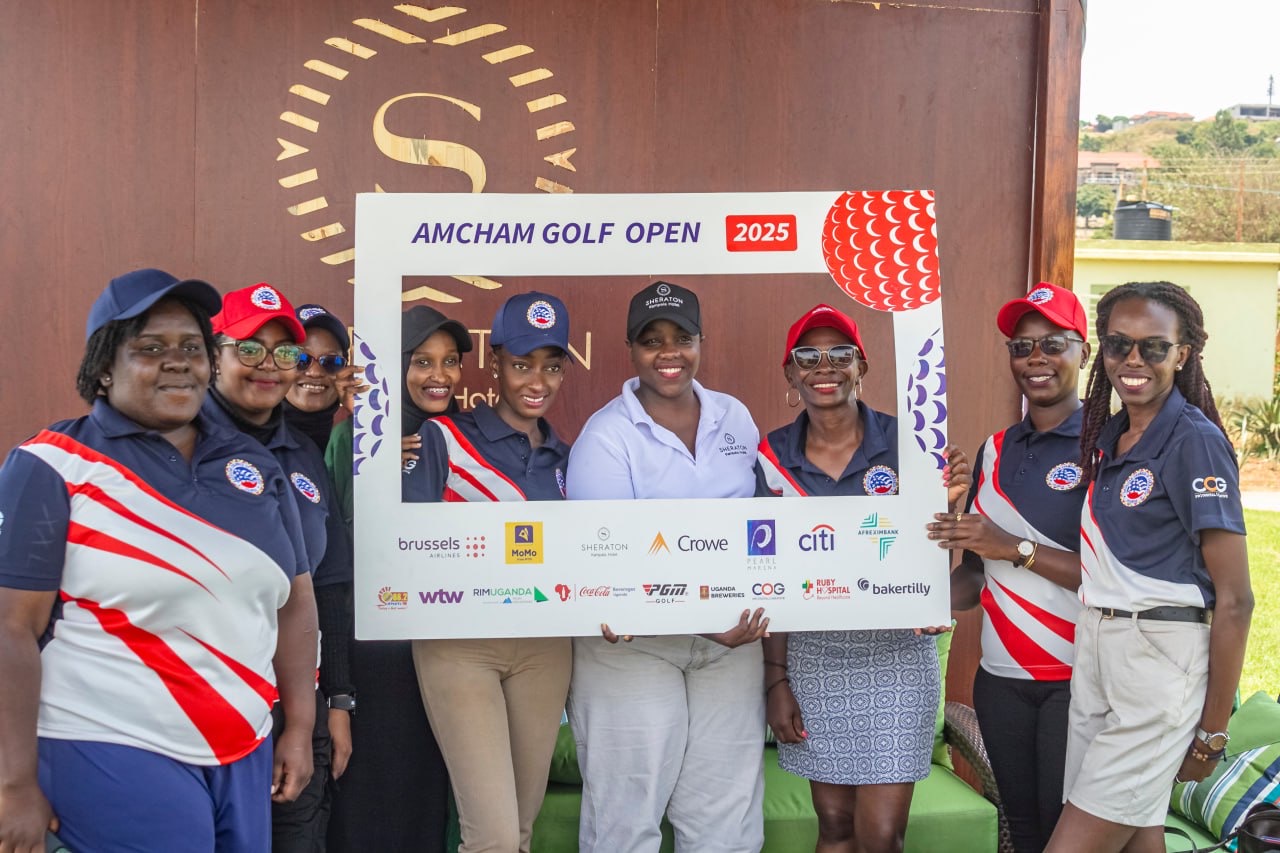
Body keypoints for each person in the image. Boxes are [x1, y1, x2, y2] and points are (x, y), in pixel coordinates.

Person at [0, 268, 315, 853]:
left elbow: (295, 602)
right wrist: (13, 783)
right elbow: (10, 628)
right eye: (150, 348)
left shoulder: (254, 464)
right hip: (108, 742)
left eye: (191, 348)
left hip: (244, 750)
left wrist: (298, 726)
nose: (177, 363)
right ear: (103, 367)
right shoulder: (52, 465)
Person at [1044, 281, 1253, 853]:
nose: (1133, 359)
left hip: (1158, 656)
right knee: (1137, 832)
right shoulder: (1112, 434)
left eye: (1153, 347)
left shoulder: (1194, 441)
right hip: (1098, 644)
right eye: (1119, 344)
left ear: (1181, 354)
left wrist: (1212, 731)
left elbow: (1236, 599)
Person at [566, 281, 770, 853]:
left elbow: (767, 524)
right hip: (634, 649)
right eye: (652, 341)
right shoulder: (606, 436)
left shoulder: (735, 417)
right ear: (631, 351)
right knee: (625, 817)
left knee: (725, 820)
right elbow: (605, 558)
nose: (669, 353)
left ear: (701, 342)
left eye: (682, 337)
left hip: (731, 646)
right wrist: (702, 618)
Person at [756, 303, 968, 853]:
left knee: (880, 835)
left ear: (861, 367)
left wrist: (951, 504)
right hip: (813, 656)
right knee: (834, 826)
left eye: (840, 354)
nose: (824, 366)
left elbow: (932, 550)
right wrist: (776, 679)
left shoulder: (911, 446)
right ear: (790, 373)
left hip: (897, 657)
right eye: (808, 356)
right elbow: (768, 574)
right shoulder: (771, 457)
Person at [404, 292, 574, 853]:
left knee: (520, 832)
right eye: (522, 364)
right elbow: (407, 548)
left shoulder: (567, 457)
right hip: (460, 645)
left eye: (552, 367)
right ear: (495, 362)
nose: (538, 382)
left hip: (545, 648)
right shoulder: (442, 438)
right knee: (493, 837)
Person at [935, 283, 1090, 853]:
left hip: (1076, 679)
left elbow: (1115, 578)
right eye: (1021, 347)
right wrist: (910, 596)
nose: (1035, 358)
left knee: (1063, 833)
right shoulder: (994, 450)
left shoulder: (1109, 445)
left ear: (1083, 352)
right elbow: (975, 574)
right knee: (1021, 830)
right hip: (1000, 680)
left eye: (1053, 343)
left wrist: (1014, 547)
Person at [204, 283, 344, 852]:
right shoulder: (176, 443)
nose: (270, 364)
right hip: (203, 706)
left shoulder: (302, 453)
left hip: (291, 708)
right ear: (214, 356)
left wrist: (313, 718)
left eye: (285, 352)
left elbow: (319, 587)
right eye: (249, 348)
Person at [326, 304, 470, 853]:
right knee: (370, 799)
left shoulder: (463, 439)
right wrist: (377, 464)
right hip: (373, 649)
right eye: (422, 361)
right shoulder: (354, 438)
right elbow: (337, 548)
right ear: (396, 366)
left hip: (444, 647)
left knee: (430, 798)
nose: (439, 375)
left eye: (450, 361)